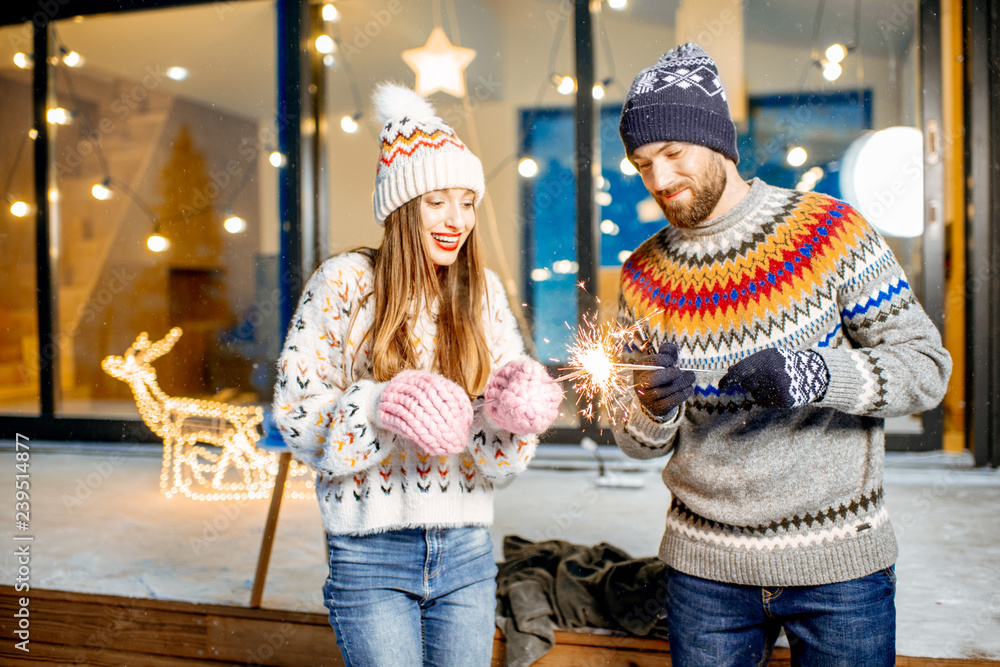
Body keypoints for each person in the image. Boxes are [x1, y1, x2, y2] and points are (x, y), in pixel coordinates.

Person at [611, 43, 952, 666]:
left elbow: (925, 370)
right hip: (703, 571)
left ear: (715, 142)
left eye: (671, 155)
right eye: (641, 164)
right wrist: (649, 408)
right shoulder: (641, 275)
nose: (658, 180)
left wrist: (815, 372)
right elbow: (632, 440)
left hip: (839, 564)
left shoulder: (831, 232)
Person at [273, 82, 563, 667]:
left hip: (466, 549)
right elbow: (295, 412)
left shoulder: (480, 292)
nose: (458, 219)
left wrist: (514, 413)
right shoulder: (345, 282)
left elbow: (497, 456)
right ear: (403, 208)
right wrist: (379, 405)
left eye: (468, 201)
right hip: (368, 553)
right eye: (437, 202)